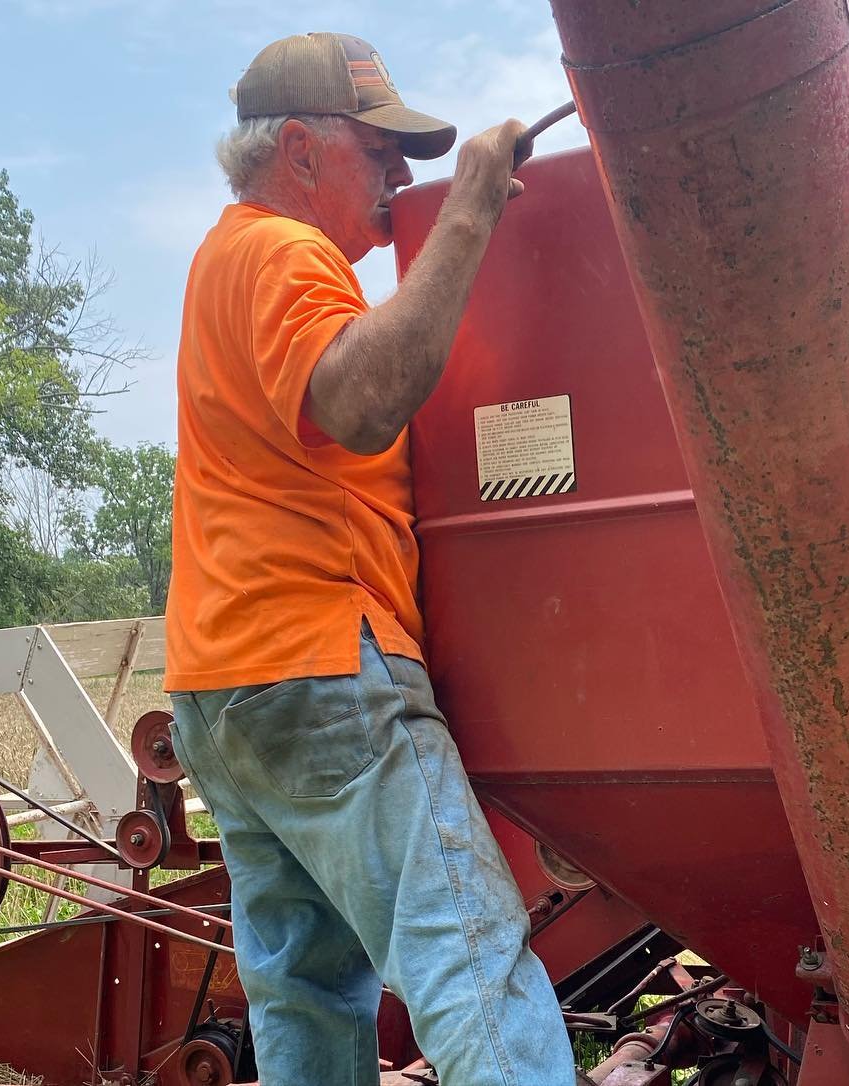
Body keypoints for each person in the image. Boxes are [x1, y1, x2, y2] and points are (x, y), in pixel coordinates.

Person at [162, 31, 573, 1086]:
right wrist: (474, 206)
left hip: (223, 689)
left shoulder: (220, 260)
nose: (403, 176)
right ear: (298, 149)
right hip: (321, 663)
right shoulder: (283, 252)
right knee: (470, 966)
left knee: (305, 997)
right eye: (379, 151)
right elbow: (357, 397)